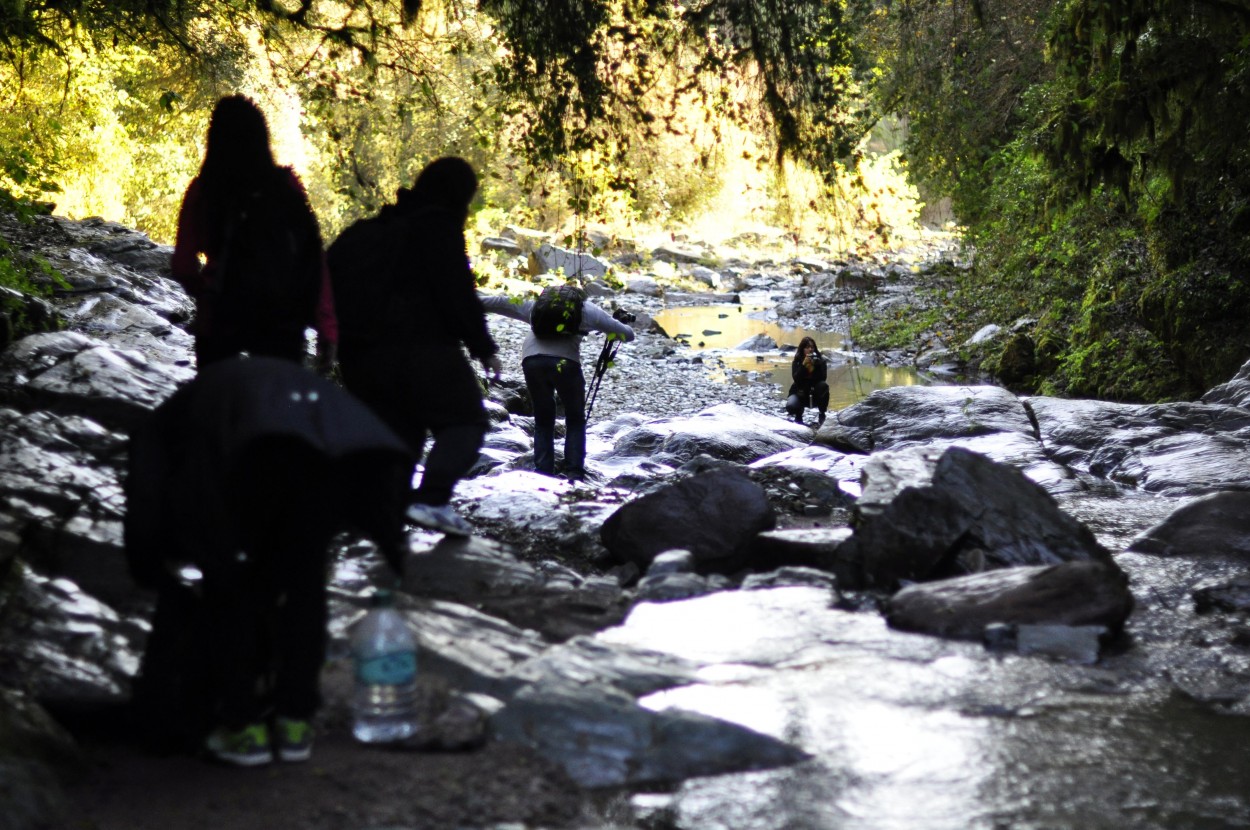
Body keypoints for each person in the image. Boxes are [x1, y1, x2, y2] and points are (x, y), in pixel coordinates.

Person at [124, 356, 411, 767]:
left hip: (256, 456)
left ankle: (243, 727)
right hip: (330, 455)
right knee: (304, 582)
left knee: (231, 589)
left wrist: (148, 567)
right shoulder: (223, 398)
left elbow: (147, 502)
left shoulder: (161, 426)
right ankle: (295, 721)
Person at [330, 156, 502, 537]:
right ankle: (432, 500)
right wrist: (483, 346)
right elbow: (456, 292)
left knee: (400, 434)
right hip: (421, 349)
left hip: (360, 355)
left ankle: (382, 519)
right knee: (466, 421)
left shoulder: (376, 228)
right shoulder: (437, 227)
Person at [171, 94, 338, 371]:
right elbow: (313, 258)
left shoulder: (203, 190)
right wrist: (327, 328)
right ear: (263, 137)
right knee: (274, 407)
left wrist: (206, 290)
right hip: (281, 319)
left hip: (221, 316)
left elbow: (183, 266)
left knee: (219, 407)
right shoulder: (287, 186)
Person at [480, 286, 635, 480]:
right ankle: (574, 472)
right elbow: (627, 335)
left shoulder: (537, 307)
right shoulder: (587, 310)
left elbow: (501, 303)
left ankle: (543, 471)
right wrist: (622, 325)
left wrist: (470, 303)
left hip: (532, 360)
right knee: (575, 417)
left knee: (543, 419)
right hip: (566, 364)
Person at [786, 336, 830, 427]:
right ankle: (798, 415)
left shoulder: (820, 360)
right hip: (800, 392)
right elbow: (796, 379)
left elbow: (823, 378)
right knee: (791, 406)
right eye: (807, 347)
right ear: (802, 349)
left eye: (812, 347)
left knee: (823, 386)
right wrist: (804, 366)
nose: (810, 350)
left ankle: (822, 413)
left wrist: (816, 366)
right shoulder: (797, 362)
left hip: (815, 393)